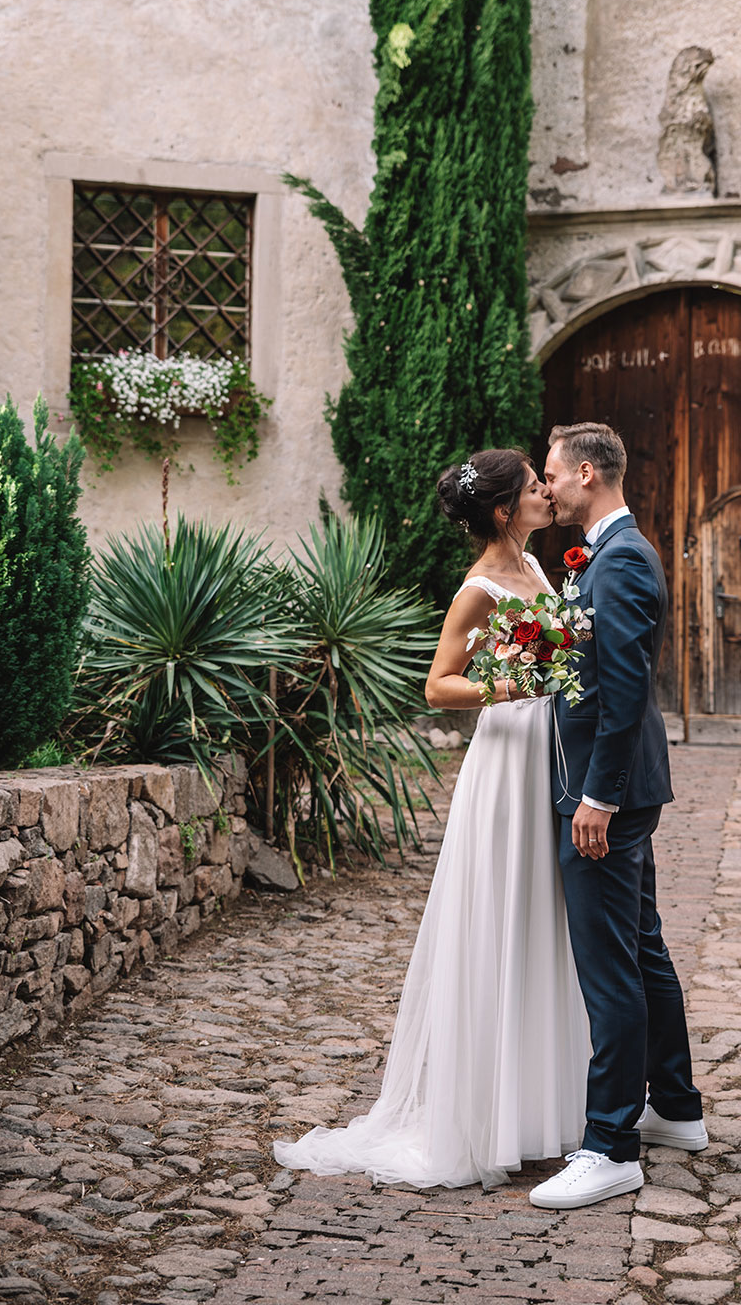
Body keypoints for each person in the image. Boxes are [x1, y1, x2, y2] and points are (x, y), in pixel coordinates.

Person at [272, 448, 590, 1189]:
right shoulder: (478, 588)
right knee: (504, 915)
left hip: (544, 749)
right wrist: (515, 685)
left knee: (545, 919)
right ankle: (487, 1117)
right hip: (506, 757)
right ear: (506, 511)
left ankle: (543, 1109)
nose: (548, 493)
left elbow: (553, 651)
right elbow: (438, 686)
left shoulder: (539, 568)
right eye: (535, 488)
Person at [529, 421, 707, 1211]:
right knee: (641, 946)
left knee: (610, 969)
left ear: (590, 474)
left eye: (554, 474)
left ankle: (610, 1146)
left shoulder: (623, 559)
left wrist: (596, 796)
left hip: (610, 792)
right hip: (622, 787)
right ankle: (675, 1107)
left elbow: (625, 688)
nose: (549, 486)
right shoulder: (606, 555)